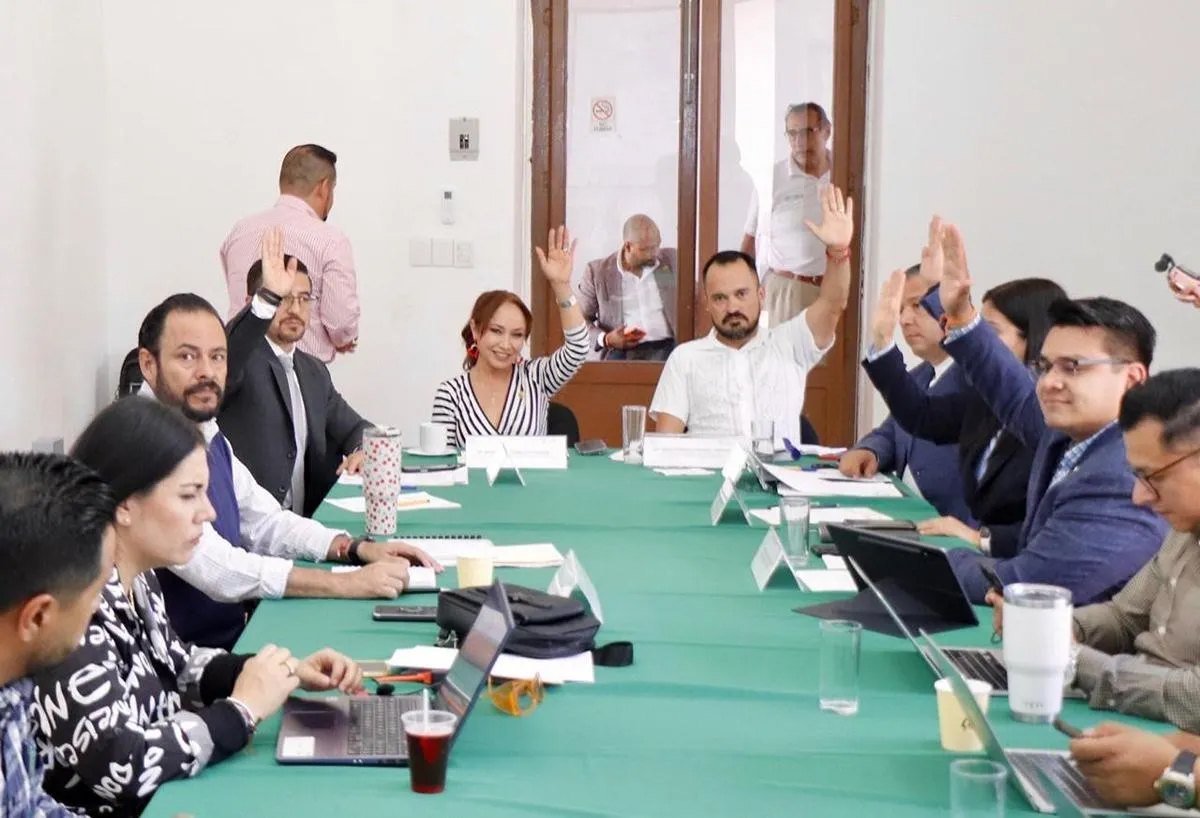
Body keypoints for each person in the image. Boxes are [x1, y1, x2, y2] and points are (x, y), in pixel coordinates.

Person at [31, 398, 364, 817]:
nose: (208, 513)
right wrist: (240, 711)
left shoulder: (137, 580)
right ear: (125, 504)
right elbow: (121, 763)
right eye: (189, 495)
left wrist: (276, 672)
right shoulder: (72, 611)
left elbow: (177, 665)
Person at [136, 292, 439, 650]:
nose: (206, 371)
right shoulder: (141, 447)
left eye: (217, 357)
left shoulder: (205, 430)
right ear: (148, 364)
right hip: (186, 661)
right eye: (187, 356)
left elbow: (265, 522)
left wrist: (354, 549)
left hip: (230, 639)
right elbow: (219, 570)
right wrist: (345, 583)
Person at [931, 217, 1168, 603]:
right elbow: (1012, 392)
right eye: (1045, 366)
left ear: (1133, 379)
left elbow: (1027, 585)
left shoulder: (1121, 476)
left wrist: (924, 561)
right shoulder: (1076, 434)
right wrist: (961, 318)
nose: (1049, 382)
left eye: (1073, 367)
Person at [987, 369, 1200, 732]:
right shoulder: (1184, 530)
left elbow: (1193, 697)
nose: (1140, 497)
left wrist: (1070, 659)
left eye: (1154, 477)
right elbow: (1124, 618)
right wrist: (1054, 627)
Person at [861, 264, 1065, 557]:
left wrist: (981, 538)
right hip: (973, 551)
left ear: (1035, 339)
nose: (978, 340)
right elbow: (921, 415)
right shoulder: (984, 398)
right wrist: (882, 344)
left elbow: (1047, 526)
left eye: (989, 331)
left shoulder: (1054, 416)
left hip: (1014, 562)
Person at [651, 184, 853, 445]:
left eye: (741, 294)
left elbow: (833, 303)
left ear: (761, 295)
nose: (732, 307)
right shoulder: (685, 359)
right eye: (720, 298)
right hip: (710, 471)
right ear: (707, 304)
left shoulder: (789, 343)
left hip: (777, 470)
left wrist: (838, 252)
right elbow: (665, 446)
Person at [220, 228, 371, 517]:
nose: (295, 309)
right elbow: (230, 353)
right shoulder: (240, 359)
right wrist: (266, 300)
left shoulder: (313, 371)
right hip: (250, 527)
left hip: (305, 524)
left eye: (304, 298)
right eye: (284, 298)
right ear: (252, 302)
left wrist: (362, 451)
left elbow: (356, 428)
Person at [0, 452, 115, 816]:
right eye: (95, 593)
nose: (99, 607)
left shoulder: (12, 683)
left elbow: (29, 807)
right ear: (37, 616)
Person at [838, 264, 973, 523]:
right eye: (901, 310)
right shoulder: (919, 375)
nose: (905, 320)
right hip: (905, 517)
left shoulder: (975, 381)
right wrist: (870, 451)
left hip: (953, 527)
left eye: (918, 305)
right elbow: (891, 432)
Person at [432, 226, 589, 449]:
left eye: (517, 335)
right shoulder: (450, 394)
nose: (506, 345)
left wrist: (561, 285)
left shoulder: (536, 378)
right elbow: (443, 462)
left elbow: (578, 348)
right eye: (496, 331)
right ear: (476, 330)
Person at [220, 144, 359, 362]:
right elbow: (341, 322)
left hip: (241, 366)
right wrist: (345, 337)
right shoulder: (331, 241)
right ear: (324, 188)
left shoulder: (239, 233)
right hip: (301, 370)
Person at [740, 102, 833, 327]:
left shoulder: (846, 172)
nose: (800, 141)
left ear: (827, 131)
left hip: (835, 290)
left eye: (808, 131)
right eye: (792, 133)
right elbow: (750, 239)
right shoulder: (772, 180)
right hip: (788, 292)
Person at [577, 214, 679, 361]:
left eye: (657, 245)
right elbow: (579, 320)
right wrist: (606, 339)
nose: (655, 253)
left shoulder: (671, 261)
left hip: (669, 346)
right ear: (628, 247)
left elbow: (697, 300)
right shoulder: (598, 273)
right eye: (646, 249)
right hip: (621, 350)